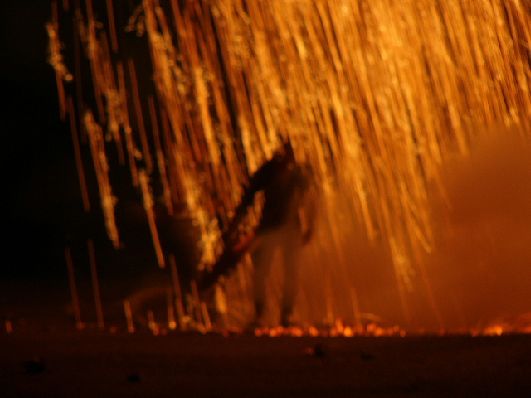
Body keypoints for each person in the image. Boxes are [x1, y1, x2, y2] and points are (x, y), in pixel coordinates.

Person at [199, 139, 316, 327]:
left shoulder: (298, 173)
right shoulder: (269, 170)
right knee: (261, 272)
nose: (288, 157)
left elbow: (311, 198)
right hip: (268, 229)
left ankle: (285, 316)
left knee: (290, 273)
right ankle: (260, 315)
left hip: (289, 230)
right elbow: (248, 199)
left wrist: (311, 225)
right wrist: (234, 226)